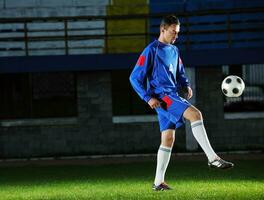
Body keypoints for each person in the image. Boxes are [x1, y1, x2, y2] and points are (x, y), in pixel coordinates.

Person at [129, 15, 234, 191]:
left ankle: (158, 183)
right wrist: (148, 98)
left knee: (168, 138)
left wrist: (185, 84)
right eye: (173, 32)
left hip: (172, 94)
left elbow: (179, 71)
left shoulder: (174, 50)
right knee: (196, 114)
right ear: (163, 29)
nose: (176, 36)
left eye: (178, 33)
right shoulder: (151, 50)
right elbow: (134, 77)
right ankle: (212, 158)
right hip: (164, 96)